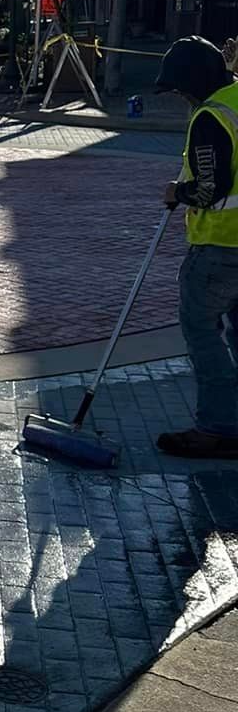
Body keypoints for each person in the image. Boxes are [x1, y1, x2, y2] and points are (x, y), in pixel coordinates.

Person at [152, 36, 238, 459]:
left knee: (204, 334)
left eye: (180, 89)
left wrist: (177, 192)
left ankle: (219, 428)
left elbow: (210, 187)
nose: (180, 97)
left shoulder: (211, 117)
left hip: (221, 247)